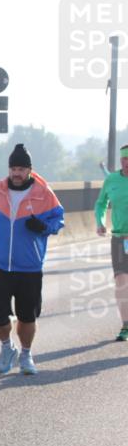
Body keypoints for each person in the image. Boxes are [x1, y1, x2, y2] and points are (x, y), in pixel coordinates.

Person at [0, 144, 64, 374]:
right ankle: (7, 348)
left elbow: (59, 220)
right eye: (13, 168)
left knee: (27, 316)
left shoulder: (43, 193)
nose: (16, 173)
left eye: (21, 169)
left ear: (29, 170)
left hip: (29, 267)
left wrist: (43, 226)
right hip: (0, 265)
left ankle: (26, 354)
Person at [94, 144, 128, 341]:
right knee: (121, 282)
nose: (126, 163)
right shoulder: (112, 179)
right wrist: (99, 222)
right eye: (124, 160)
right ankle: (125, 326)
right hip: (119, 238)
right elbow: (101, 203)